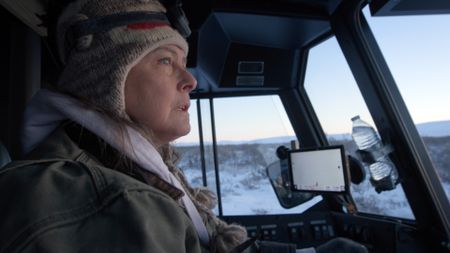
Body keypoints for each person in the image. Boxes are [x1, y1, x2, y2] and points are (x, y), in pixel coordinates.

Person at [0, 0, 368, 252]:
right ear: (104, 79)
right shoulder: (112, 204)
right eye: (164, 61)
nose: (189, 80)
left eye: (183, 61)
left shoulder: (122, 175)